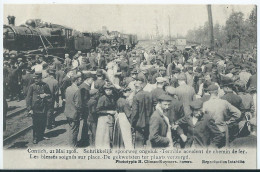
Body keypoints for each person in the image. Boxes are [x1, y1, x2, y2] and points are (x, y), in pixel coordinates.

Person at [26, 71, 51, 144]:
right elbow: (28, 98)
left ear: (41, 78)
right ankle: (35, 137)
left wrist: (45, 95)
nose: (35, 80)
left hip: (43, 107)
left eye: (37, 78)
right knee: (36, 123)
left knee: (43, 122)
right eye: (35, 79)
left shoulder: (45, 85)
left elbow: (50, 94)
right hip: (35, 108)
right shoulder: (32, 86)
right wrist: (29, 109)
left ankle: (41, 135)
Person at [131, 76, 153, 148]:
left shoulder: (136, 96)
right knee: (148, 143)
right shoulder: (149, 94)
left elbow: (134, 113)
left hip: (139, 124)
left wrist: (132, 124)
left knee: (139, 145)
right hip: (149, 122)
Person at [95, 82, 117, 148]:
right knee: (104, 134)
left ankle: (110, 145)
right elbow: (98, 110)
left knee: (111, 133)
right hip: (103, 118)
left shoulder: (112, 97)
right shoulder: (102, 98)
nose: (108, 91)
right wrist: (108, 112)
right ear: (104, 90)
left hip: (111, 118)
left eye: (110, 90)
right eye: (107, 90)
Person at [64, 73, 82, 147]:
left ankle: (71, 144)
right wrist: (80, 113)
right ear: (76, 80)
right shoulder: (77, 90)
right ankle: (73, 146)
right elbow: (78, 104)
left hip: (68, 112)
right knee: (74, 130)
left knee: (71, 129)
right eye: (80, 79)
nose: (80, 80)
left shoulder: (68, 88)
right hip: (74, 114)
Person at [78, 73, 95, 147]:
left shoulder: (84, 86)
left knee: (85, 125)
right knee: (86, 125)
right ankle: (84, 140)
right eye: (92, 79)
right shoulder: (85, 87)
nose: (92, 81)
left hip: (84, 109)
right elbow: (84, 100)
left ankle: (84, 140)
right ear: (88, 79)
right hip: (86, 110)